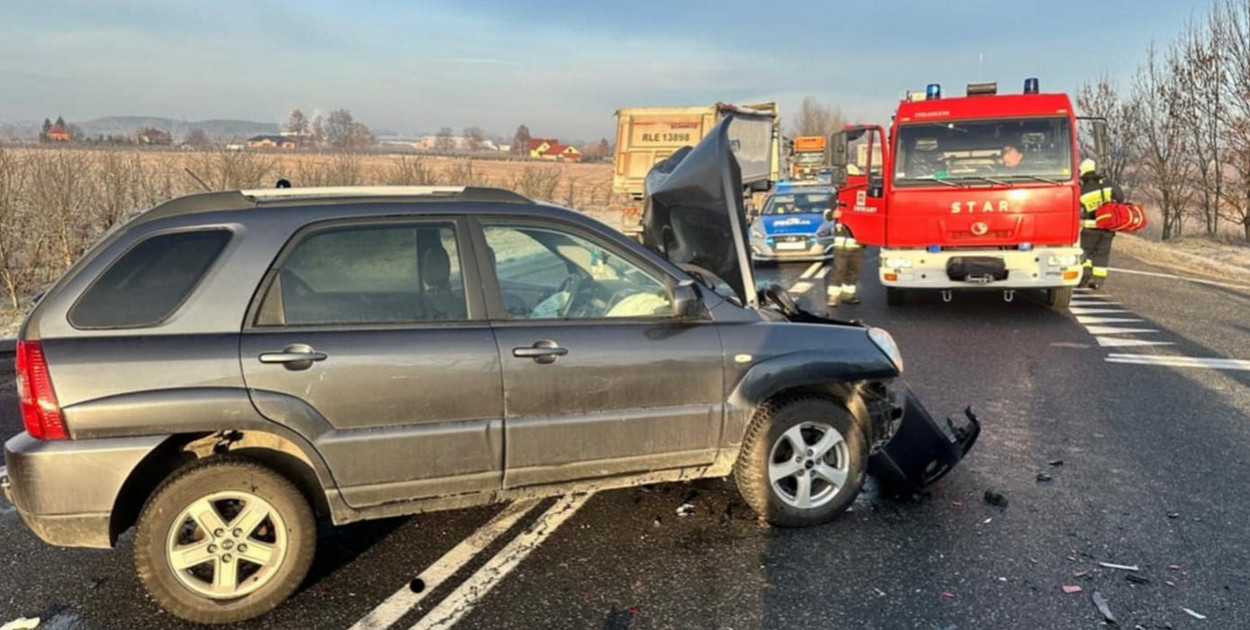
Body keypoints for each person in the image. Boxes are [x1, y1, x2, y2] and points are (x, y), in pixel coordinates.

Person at [1077, 158, 1125, 290]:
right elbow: (1120, 197)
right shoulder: (1108, 185)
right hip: (1108, 227)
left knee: (1083, 251)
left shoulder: (1083, 190)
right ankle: (1097, 281)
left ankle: (1085, 275)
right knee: (1102, 254)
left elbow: (1077, 208)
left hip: (1090, 226)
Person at [825, 203, 863, 307]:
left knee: (853, 271)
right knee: (839, 270)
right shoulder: (837, 199)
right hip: (841, 246)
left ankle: (848, 296)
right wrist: (833, 214)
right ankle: (833, 297)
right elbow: (826, 214)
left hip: (857, 244)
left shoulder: (861, 200)